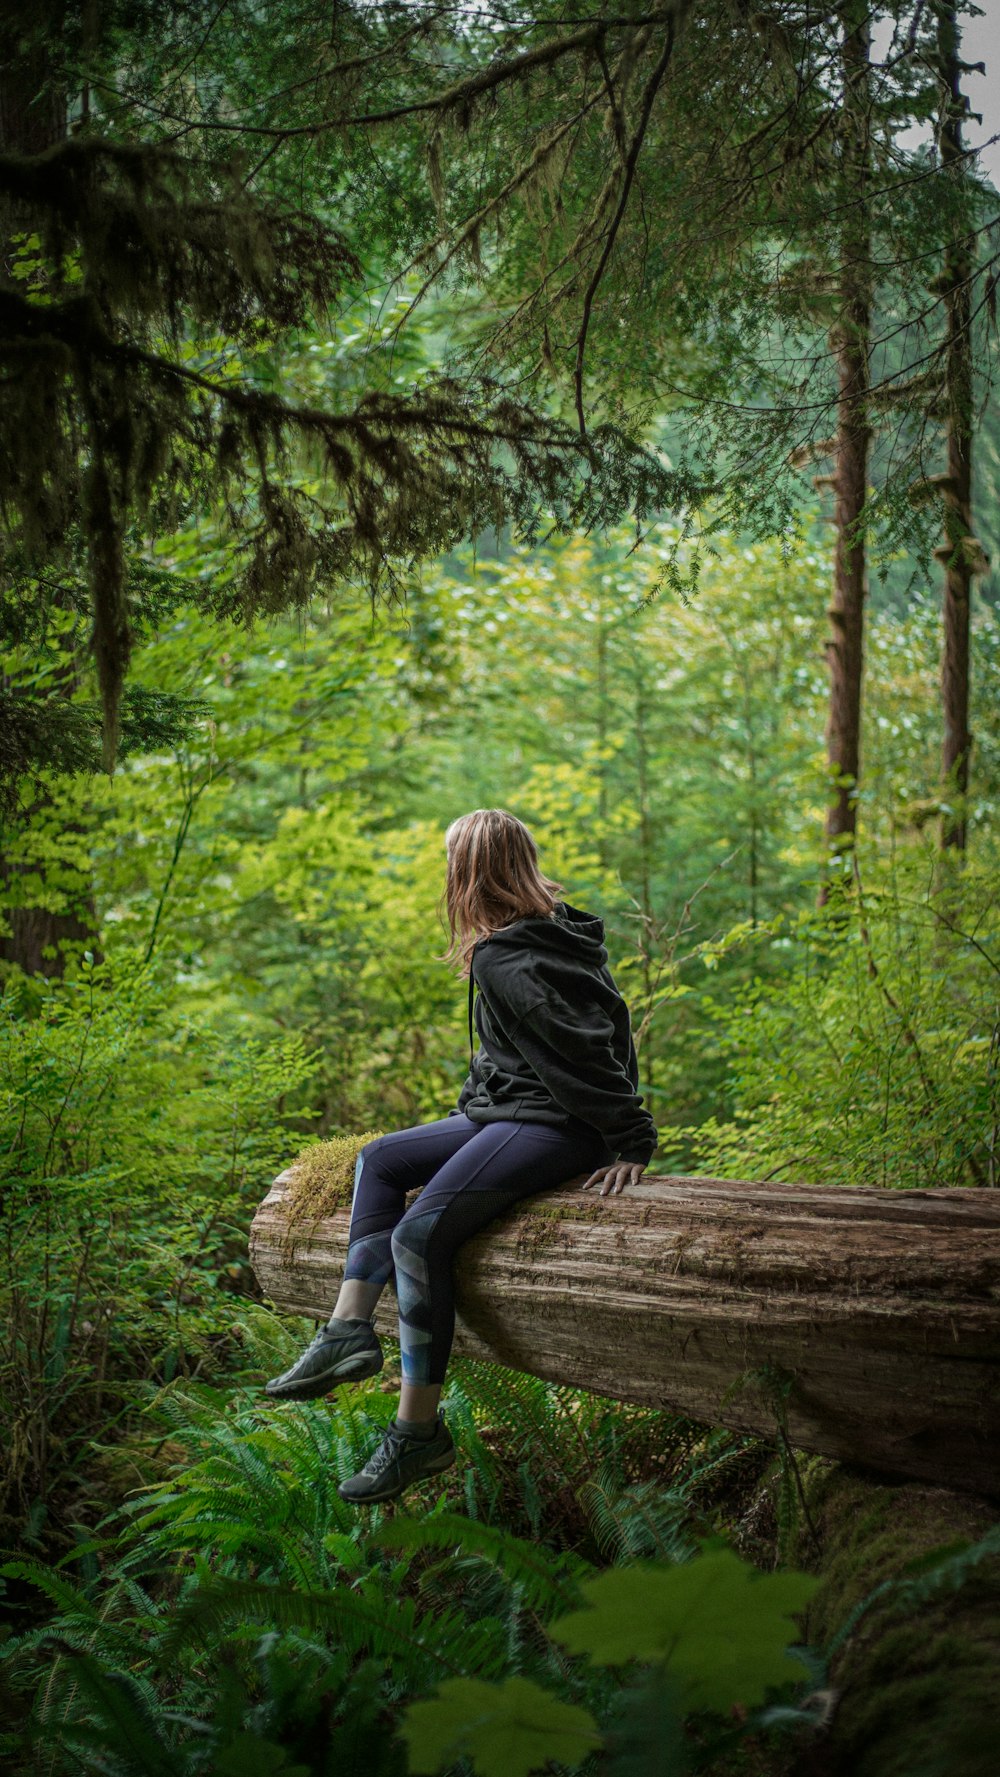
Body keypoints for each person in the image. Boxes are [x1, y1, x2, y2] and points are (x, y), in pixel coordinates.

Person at [264, 807, 658, 1504]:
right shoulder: (552, 935)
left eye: (450, 861)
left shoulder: (507, 958)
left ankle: (417, 1433)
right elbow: (507, 1055)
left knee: (418, 1236)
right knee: (380, 1159)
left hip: (561, 1125)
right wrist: (464, 1124)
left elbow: (582, 1048)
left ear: (471, 871)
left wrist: (631, 1137)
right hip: (511, 1112)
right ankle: (349, 1329)